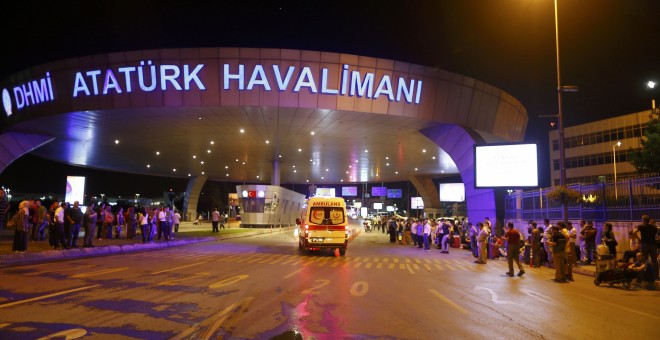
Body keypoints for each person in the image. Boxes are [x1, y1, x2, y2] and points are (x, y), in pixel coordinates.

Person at [636, 215, 658, 280]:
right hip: (653, 245)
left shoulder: (641, 226)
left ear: (643, 220)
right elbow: (657, 231)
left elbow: (634, 232)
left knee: (644, 260)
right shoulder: (654, 227)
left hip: (645, 245)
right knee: (654, 260)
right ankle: (656, 276)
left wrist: (639, 239)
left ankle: (643, 276)